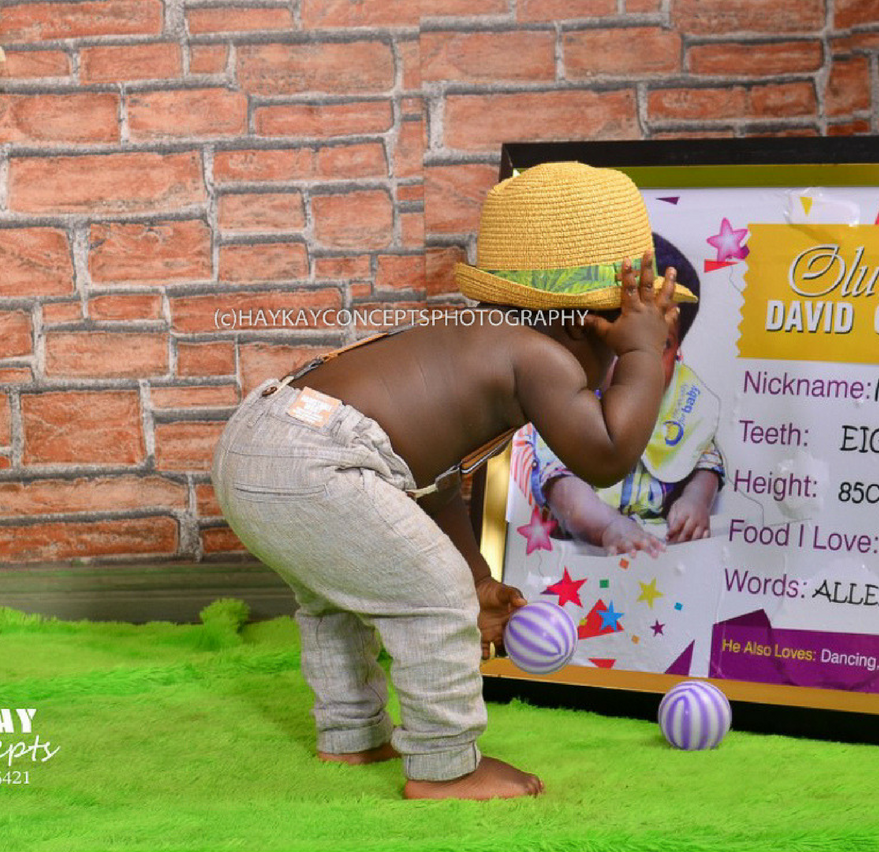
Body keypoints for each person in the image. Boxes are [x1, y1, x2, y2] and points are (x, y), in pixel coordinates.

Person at [209, 162, 695, 801]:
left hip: (262, 440)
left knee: (336, 598)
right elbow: (608, 456)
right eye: (621, 337)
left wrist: (476, 577)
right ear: (585, 321)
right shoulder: (541, 357)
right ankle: (446, 765)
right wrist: (643, 353)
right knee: (435, 597)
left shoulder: (472, 340)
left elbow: (431, 480)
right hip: (317, 462)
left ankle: (351, 735)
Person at [522, 234, 724, 555]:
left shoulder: (682, 401)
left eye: (662, 344)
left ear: (678, 353)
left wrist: (696, 500)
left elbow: (705, 461)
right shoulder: (568, 400)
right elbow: (564, 489)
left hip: (663, 555)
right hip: (583, 556)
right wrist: (608, 526)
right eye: (619, 338)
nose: (639, 360)